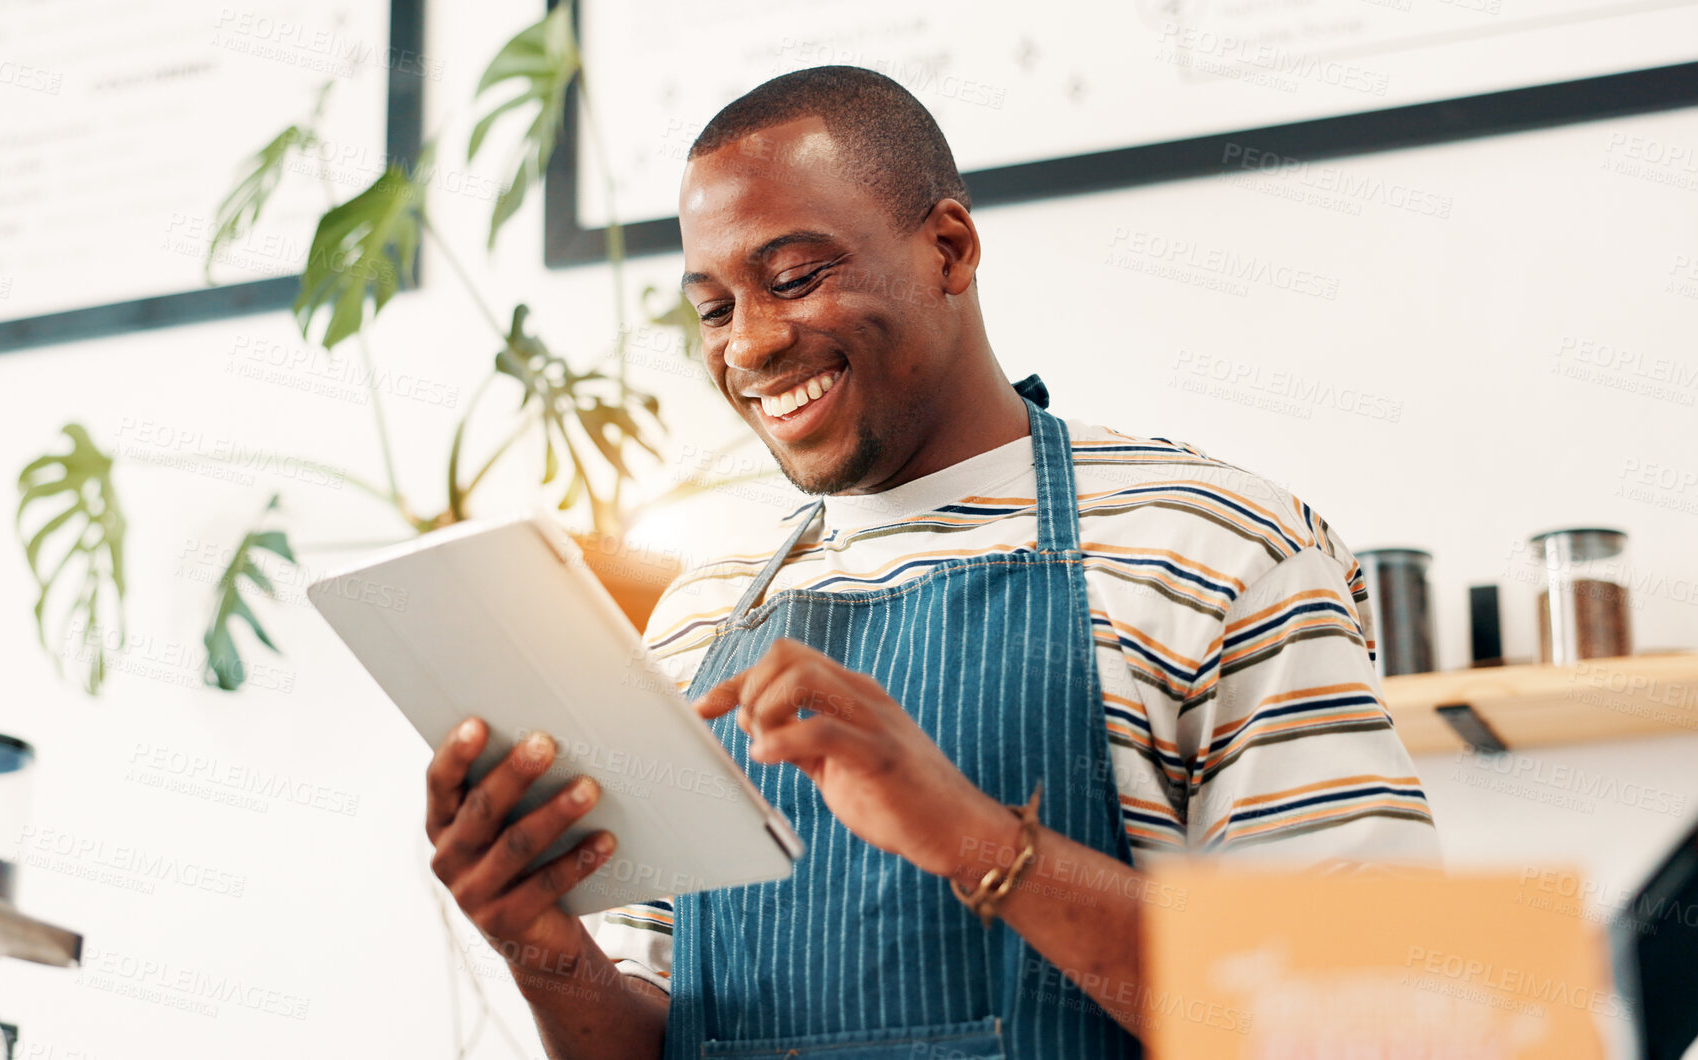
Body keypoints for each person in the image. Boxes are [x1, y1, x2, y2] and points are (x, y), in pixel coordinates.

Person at [422, 65, 1439, 1059]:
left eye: (791, 278)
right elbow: (657, 1030)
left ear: (948, 249)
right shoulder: (702, 615)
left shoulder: (1215, 545)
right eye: (715, 308)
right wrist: (548, 956)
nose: (750, 344)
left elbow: (1366, 1012)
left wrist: (979, 841)